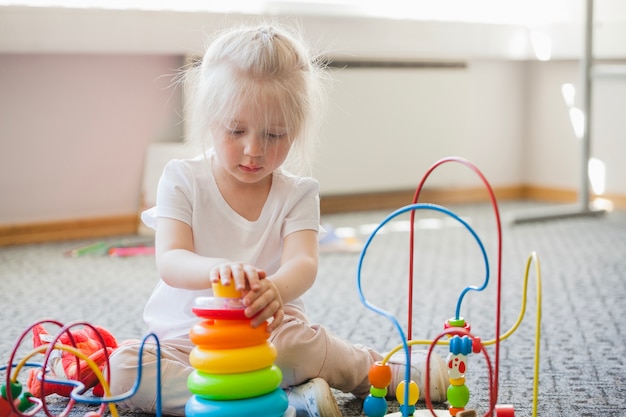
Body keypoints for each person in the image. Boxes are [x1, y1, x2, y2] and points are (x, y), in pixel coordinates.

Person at [107, 23, 448, 417]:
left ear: (297, 130)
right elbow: (171, 260)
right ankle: (282, 403)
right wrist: (218, 270)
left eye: (274, 135)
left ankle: (387, 373)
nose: (253, 150)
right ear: (209, 118)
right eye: (236, 130)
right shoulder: (182, 179)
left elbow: (303, 263)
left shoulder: (298, 192)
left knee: (307, 345)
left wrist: (277, 290)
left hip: (270, 334)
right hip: (191, 341)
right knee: (123, 370)